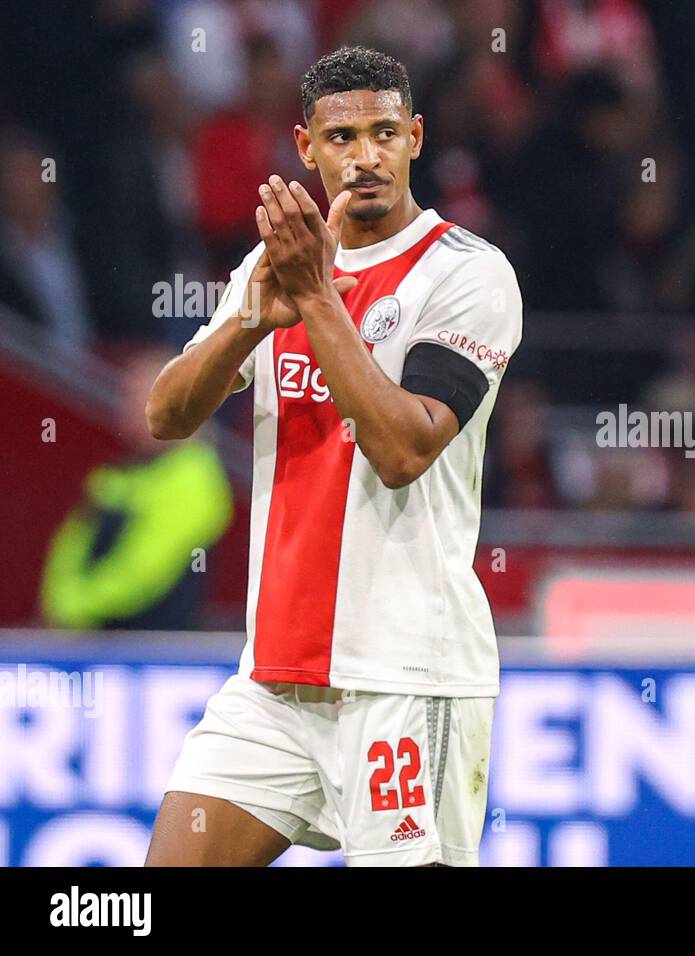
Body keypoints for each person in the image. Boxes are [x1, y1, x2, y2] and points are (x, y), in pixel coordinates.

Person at [143, 47, 523, 867]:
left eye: (386, 133)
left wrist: (315, 302)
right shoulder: (279, 264)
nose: (366, 156)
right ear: (306, 147)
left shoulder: (469, 275)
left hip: (404, 675)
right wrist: (253, 318)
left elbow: (403, 449)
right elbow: (166, 414)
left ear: (416, 138)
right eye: (342, 136)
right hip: (275, 677)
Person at [40, 347, 233, 630]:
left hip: (156, 649)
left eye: (144, 397)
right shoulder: (117, 472)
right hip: (93, 642)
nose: (132, 408)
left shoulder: (196, 474)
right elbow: (73, 542)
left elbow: (145, 571)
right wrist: (59, 601)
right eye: (128, 397)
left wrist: (74, 607)